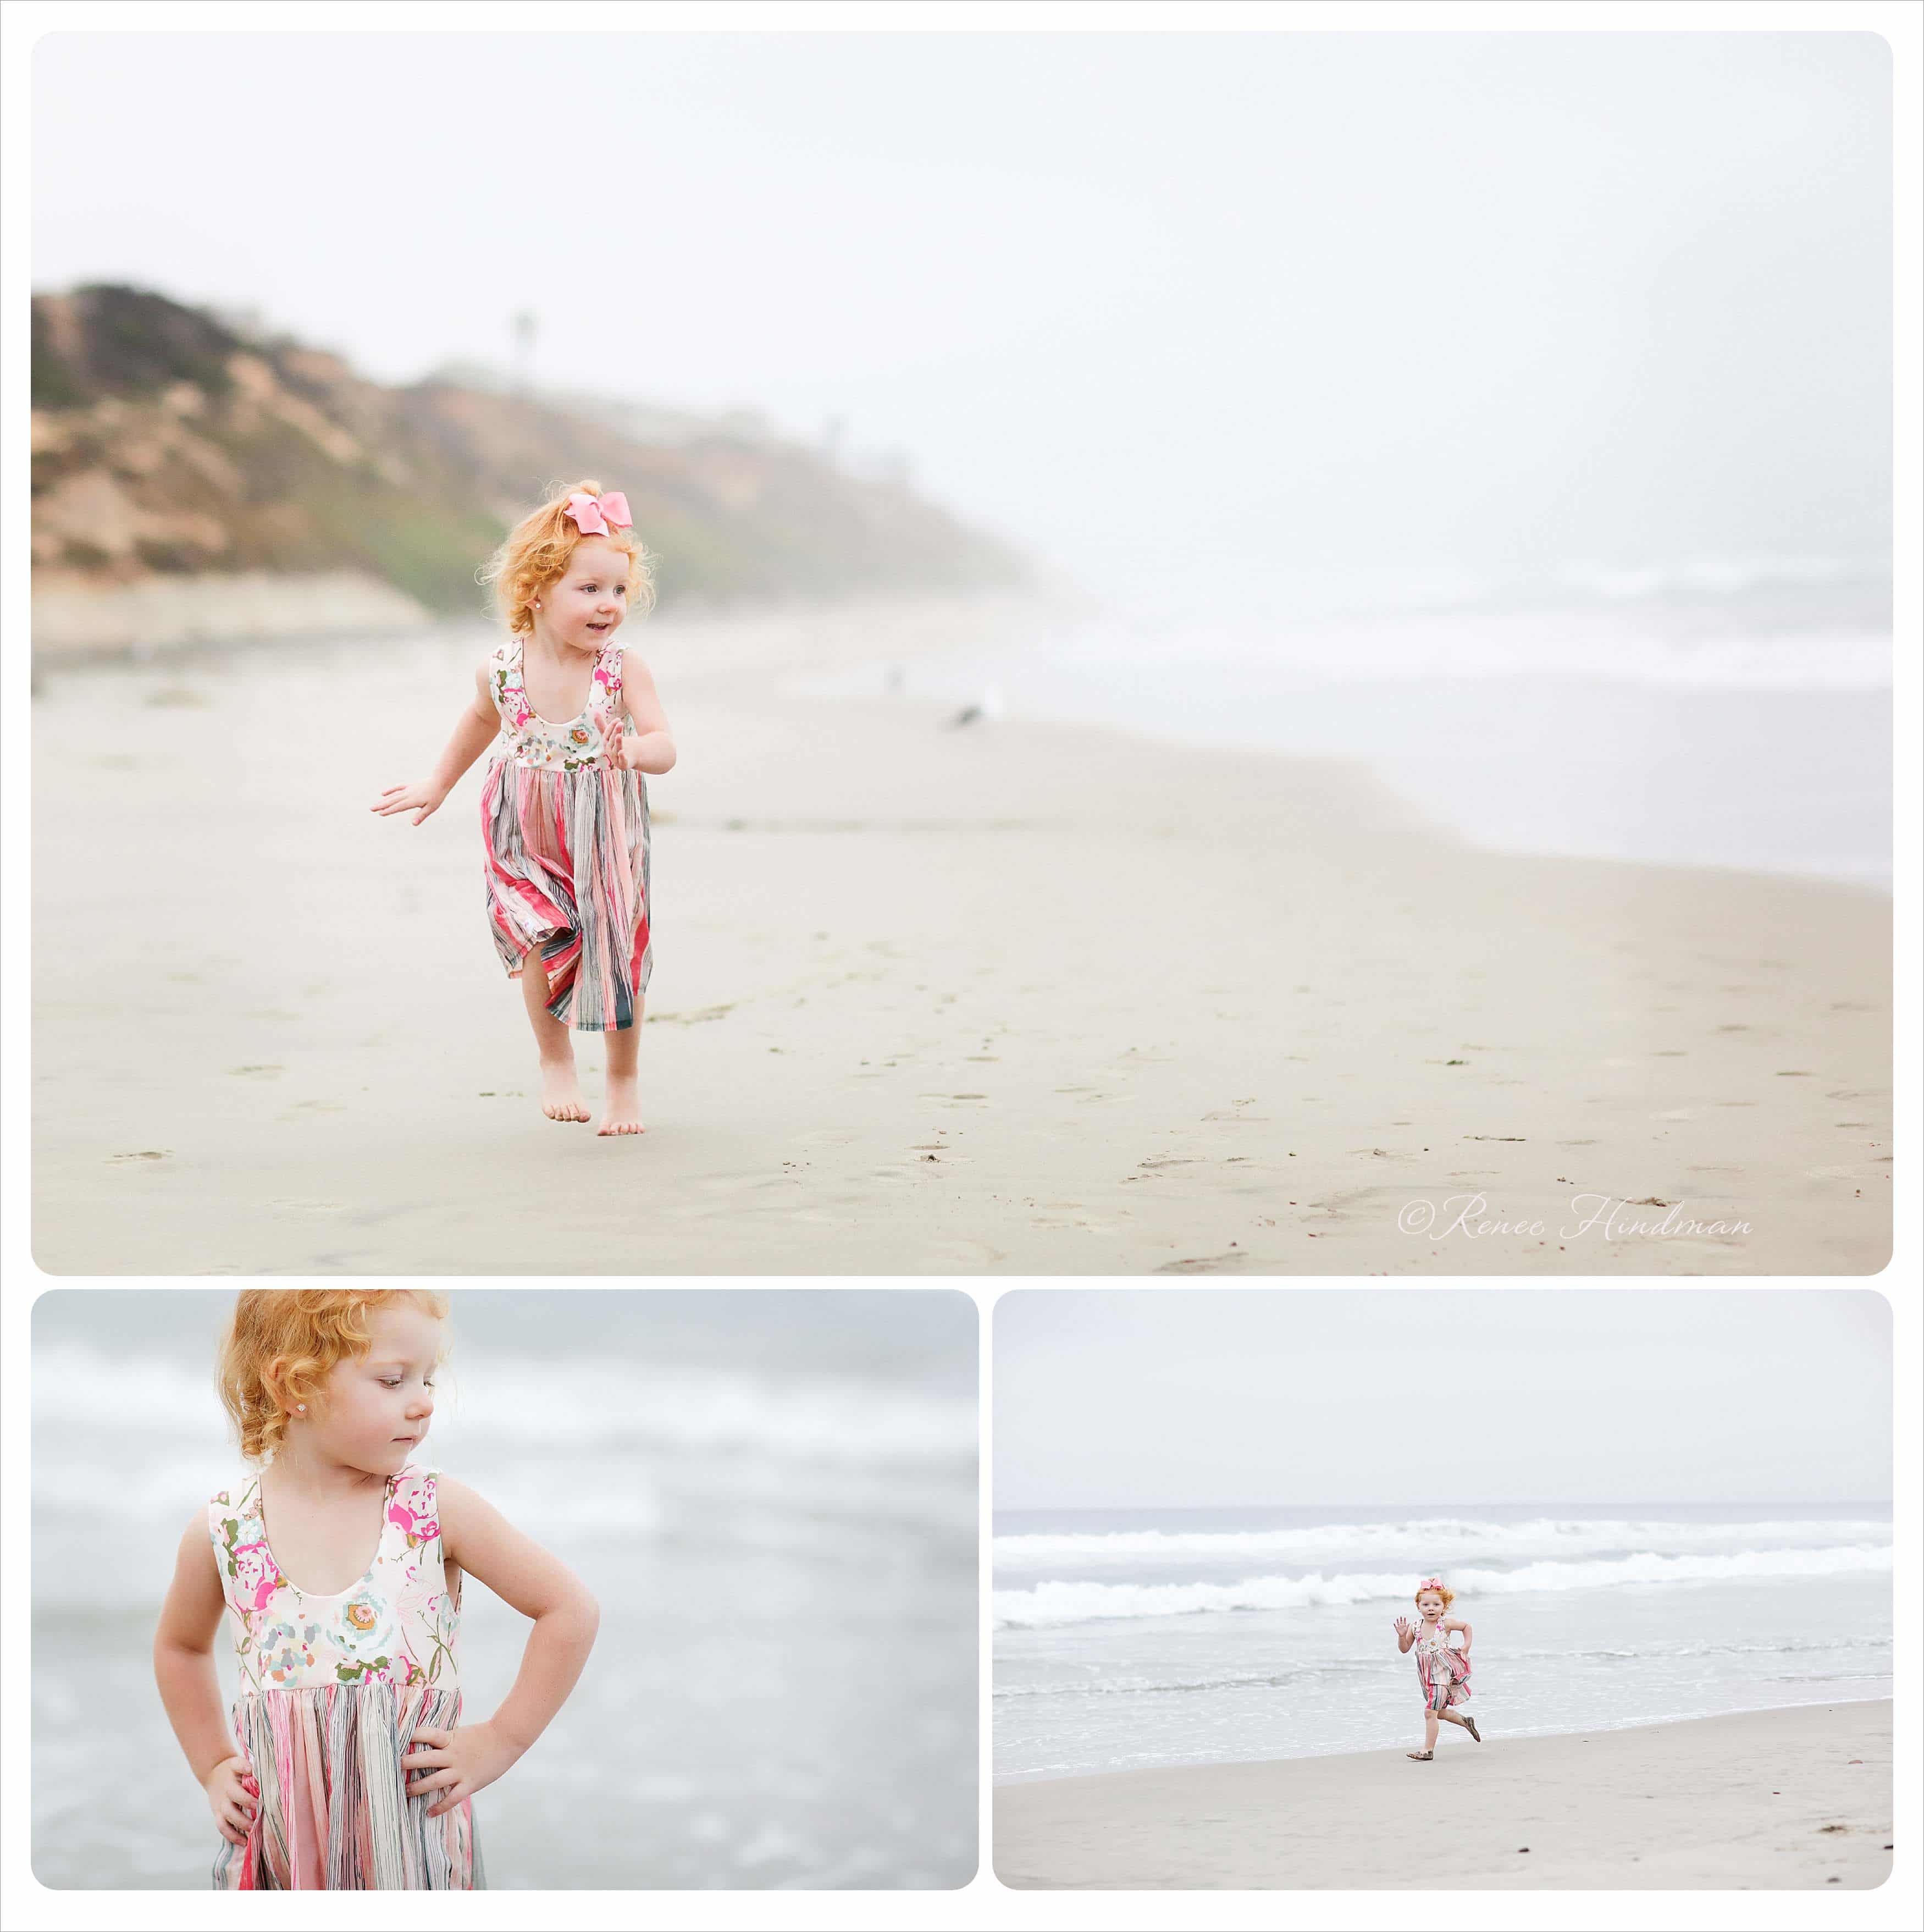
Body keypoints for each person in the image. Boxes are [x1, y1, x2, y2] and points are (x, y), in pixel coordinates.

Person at [153, 1289, 599, 1887]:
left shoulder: (431, 1508)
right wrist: (211, 1764)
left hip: (410, 1851)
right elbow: (179, 1646)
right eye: (393, 1381)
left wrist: (500, 1739)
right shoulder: (227, 1529)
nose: (423, 1405)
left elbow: (568, 1608)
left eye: (428, 1380)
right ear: (294, 1388)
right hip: (280, 1853)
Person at [372, 482, 675, 1135]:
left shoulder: (623, 671)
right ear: (535, 589)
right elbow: (480, 721)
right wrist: (438, 782)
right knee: (540, 936)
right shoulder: (501, 669)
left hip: (604, 832)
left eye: (619, 591)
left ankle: (622, 1081)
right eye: (589, 589)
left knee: (615, 952)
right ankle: (555, 1059)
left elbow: (665, 746)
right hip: (522, 824)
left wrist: (634, 751)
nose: (609, 605)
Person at [1392, 1575, 1480, 1760]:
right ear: (1418, 1606)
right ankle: (1465, 1721)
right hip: (1426, 1676)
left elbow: (1467, 1627)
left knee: (1429, 1712)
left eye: (1436, 1605)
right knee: (1438, 1712)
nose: (1431, 1608)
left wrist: (1466, 1646)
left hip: (1442, 1675)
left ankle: (1428, 1751)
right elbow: (1405, 1649)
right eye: (1426, 1605)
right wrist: (1401, 1636)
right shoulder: (1415, 1627)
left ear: (1443, 1607)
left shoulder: (1445, 1624)